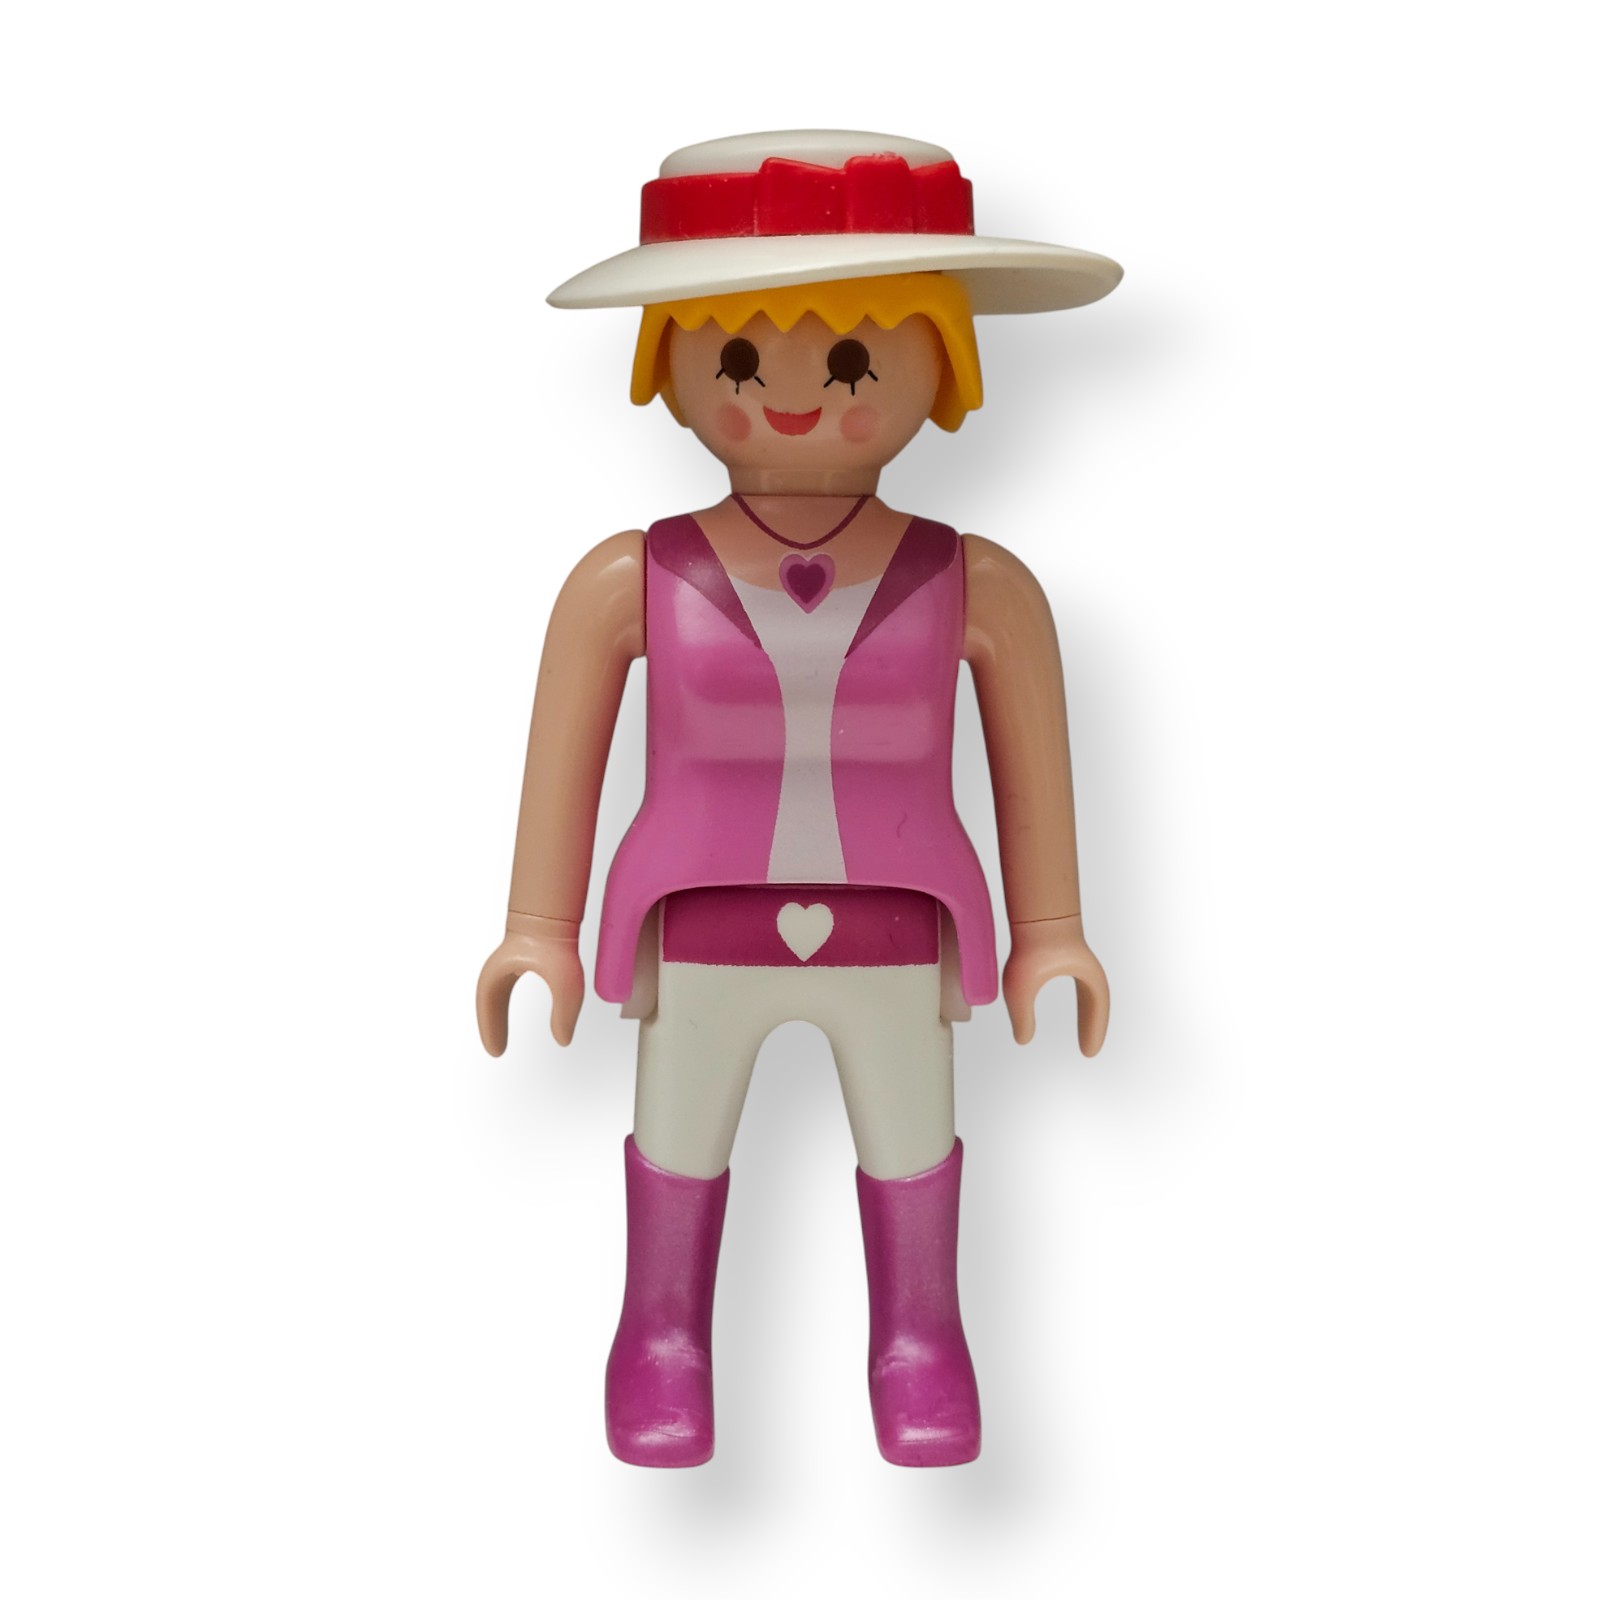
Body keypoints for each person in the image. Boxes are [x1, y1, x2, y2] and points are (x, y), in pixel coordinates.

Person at [475, 130, 1120, 1468]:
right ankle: (661, 1340)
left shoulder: (979, 584)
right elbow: (564, 756)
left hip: (896, 930)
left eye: (852, 364)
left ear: (941, 364)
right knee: (679, 1134)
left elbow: (1034, 763)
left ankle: (920, 1342)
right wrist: (537, 929)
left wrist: (1051, 932)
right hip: (698, 926)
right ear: (671, 368)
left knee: (909, 1139)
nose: (791, 401)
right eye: (737, 361)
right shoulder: (629, 578)